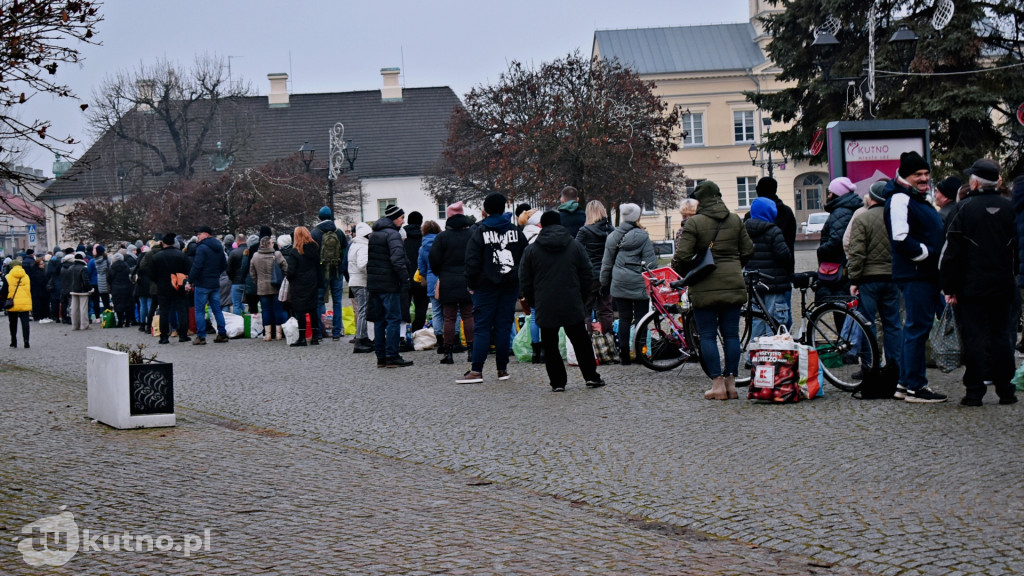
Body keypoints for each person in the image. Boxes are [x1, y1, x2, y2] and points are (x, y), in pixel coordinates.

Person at [940, 158, 1018, 406]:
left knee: (974, 338)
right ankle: (1006, 391)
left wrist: (949, 288)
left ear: (974, 183)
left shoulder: (964, 209)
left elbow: (951, 253)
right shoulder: (1010, 208)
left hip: (971, 287)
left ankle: (974, 392)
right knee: (1002, 337)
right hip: (1004, 284)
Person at [672, 181, 753, 400]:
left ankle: (717, 384)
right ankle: (732, 383)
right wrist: (735, 267)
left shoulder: (694, 223)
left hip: (704, 284)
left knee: (707, 335)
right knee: (732, 335)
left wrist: (689, 273)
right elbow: (748, 250)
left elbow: (682, 257)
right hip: (733, 282)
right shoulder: (735, 220)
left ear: (700, 200)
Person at [884, 151, 947, 403]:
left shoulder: (914, 197)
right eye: (917, 174)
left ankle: (903, 383)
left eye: (925, 174)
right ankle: (916, 387)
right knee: (917, 330)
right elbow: (900, 239)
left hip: (923, 273)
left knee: (915, 329)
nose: (923, 178)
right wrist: (928, 253)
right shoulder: (901, 198)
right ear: (905, 176)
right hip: (917, 274)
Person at [520, 211, 604, 391]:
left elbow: (525, 280)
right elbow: (587, 274)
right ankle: (591, 377)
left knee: (550, 345)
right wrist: (581, 297)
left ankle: (557, 382)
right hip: (571, 300)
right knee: (581, 341)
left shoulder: (532, 250)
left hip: (545, 302)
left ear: (542, 225)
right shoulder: (575, 246)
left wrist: (535, 301)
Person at [460, 193, 525, 383]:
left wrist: (471, 284)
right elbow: (525, 257)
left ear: (486, 210)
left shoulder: (479, 232)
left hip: (485, 286)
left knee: (482, 327)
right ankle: (502, 369)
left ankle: (477, 370)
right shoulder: (515, 231)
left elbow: (472, 262)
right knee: (504, 327)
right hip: (510, 285)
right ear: (504, 208)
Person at [847, 180, 901, 376]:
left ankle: (870, 366)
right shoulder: (895, 217)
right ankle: (896, 366)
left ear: (871, 198)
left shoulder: (863, 219)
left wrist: (853, 279)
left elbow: (857, 253)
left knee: (867, 323)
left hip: (869, 279)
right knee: (893, 324)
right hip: (893, 277)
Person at [600, 202, 656, 365]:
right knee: (641, 318)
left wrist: (604, 283)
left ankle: (624, 355)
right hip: (639, 282)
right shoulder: (643, 236)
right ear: (637, 217)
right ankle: (641, 353)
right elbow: (651, 263)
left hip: (620, 282)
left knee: (624, 318)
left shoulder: (613, 237)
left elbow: (607, 263)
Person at [368, 204, 414, 367]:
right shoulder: (393, 235)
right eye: (402, 218)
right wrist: (405, 279)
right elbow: (397, 260)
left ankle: (381, 356)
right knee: (393, 319)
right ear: (395, 218)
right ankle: (392, 355)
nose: (403, 221)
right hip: (390, 283)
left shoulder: (374, 234)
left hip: (375, 283)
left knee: (379, 320)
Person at [430, 201, 475, 366]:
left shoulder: (441, 237)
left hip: (447, 280)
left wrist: (441, 273)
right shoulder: (472, 234)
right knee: (469, 316)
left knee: (449, 317)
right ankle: (472, 351)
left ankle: (448, 353)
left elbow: (433, 260)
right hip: (467, 279)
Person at [743, 196, 792, 338]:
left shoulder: (744, 231)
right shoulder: (773, 231)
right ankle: (772, 354)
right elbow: (784, 255)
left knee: (757, 321)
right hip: (773, 283)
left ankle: (753, 356)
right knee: (774, 321)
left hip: (754, 283)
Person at [817, 177, 863, 300]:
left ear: (837, 194)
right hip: (844, 264)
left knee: (840, 303)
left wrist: (821, 250)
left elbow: (837, 239)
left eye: (831, 192)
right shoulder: (848, 208)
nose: (828, 195)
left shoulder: (841, 211)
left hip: (839, 266)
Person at [576, 200, 615, 335]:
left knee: (585, 310)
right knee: (606, 309)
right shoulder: (611, 230)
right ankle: (607, 340)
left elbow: (576, 251)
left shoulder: (584, 231)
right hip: (607, 274)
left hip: (589, 276)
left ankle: (587, 342)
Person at [311, 206, 348, 341]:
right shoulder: (338, 232)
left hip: (321, 271)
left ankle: (320, 333)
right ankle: (337, 332)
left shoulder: (315, 233)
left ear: (319, 217)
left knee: (319, 301)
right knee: (337, 301)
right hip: (337, 270)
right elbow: (345, 250)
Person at [189, 225, 230, 345]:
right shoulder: (219, 247)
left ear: (206, 234)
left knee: (200, 311)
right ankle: (222, 334)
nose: (197, 236)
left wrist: (190, 280)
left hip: (202, 283)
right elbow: (224, 264)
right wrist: (216, 273)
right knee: (217, 309)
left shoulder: (202, 248)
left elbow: (197, 265)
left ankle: (201, 336)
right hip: (215, 283)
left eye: (199, 234)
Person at [284, 226, 323, 347]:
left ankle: (302, 338)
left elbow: (290, 271)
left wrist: (289, 279)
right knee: (313, 310)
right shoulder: (315, 249)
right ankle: (315, 336)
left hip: (299, 283)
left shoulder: (295, 252)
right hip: (312, 282)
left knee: (300, 311)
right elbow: (319, 267)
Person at [150, 233, 192, 344]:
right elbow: (188, 271)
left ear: (163, 243)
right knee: (181, 310)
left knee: (164, 311)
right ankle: (183, 334)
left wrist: (158, 281)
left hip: (163, 286)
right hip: (179, 285)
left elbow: (151, 274)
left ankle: (164, 336)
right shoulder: (181, 255)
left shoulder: (156, 256)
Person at [249, 234, 288, 342]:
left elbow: (252, 273)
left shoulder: (255, 256)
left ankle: (268, 334)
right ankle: (279, 334)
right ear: (269, 244)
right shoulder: (277, 254)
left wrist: (257, 282)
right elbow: (286, 268)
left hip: (262, 288)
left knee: (266, 310)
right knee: (278, 310)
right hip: (276, 287)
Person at [417, 220, 443, 348]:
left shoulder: (422, 248)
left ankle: (439, 339)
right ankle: (454, 338)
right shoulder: (443, 243)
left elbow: (421, 268)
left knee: (436, 311)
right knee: (452, 311)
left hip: (432, 280)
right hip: (445, 279)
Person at [347, 222, 373, 353]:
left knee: (361, 310)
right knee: (363, 311)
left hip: (354, 280)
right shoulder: (363, 247)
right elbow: (363, 265)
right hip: (361, 281)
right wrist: (370, 275)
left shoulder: (354, 245)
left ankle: (363, 337)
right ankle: (360, 339)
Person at [403, 210, 428, 334]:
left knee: (404, 306)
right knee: (421, 307)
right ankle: (417, 330)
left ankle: (404, 332)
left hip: (405, 277)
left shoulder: (402, 237)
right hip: (420, 277)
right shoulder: (424, 237)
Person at [5, 258, 32, 347]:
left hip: (12, 303)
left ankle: (14, 341)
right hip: (25, 302)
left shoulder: (7, 277)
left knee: (12, 323)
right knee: (25, 323)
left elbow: (4, 291)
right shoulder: (26, 276)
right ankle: (26, 341)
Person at [108, 252, 134, 327]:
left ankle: (120, 321)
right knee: (128, 304)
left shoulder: (112, 268)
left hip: (116, 288)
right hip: (127, 287)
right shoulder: (127, 267)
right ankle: (127, 322)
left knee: (118, 304)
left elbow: (109, 279)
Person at [68, 252, 92, 331]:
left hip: (73, 289)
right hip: (82, 290)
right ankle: (84, 325)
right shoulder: (83, 268)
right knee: (83, 308)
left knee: (74, 308)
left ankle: (74, 325)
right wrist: (90, 289)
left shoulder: (70, 268)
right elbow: (85, 280)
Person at [87, 244, 111, 322]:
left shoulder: (93, 261)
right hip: (105, 282)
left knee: (95, 301)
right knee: (106, 300)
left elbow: (88, 272)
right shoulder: (106, 260)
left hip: (94, 282)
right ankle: (108, 316)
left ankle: (97, 317)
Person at [226, 233, 249, 314]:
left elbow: (228, 269)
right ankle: (249, 320)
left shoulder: (233, 253)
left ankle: (238, 324)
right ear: (246, 240)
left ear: (237, 242)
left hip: (236, 282)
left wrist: (232, 278)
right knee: (250, 304)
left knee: (236, 304)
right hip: (248, 281)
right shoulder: (250, 252)